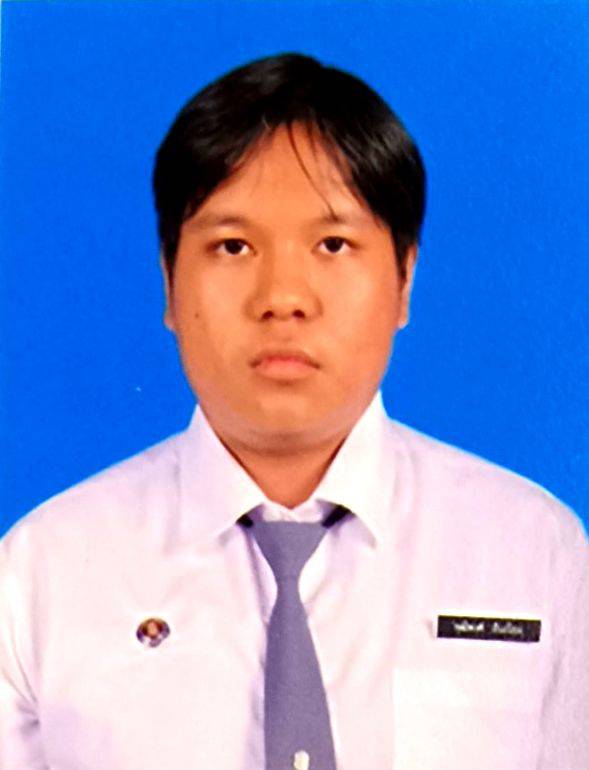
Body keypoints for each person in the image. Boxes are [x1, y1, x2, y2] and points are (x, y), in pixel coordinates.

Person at [0, 52, 587, 770]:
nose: (282, 297)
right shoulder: (42, 573)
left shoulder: (533, 553)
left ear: (404, 278)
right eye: (233, 246)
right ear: (169, 281)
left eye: (333, 244)